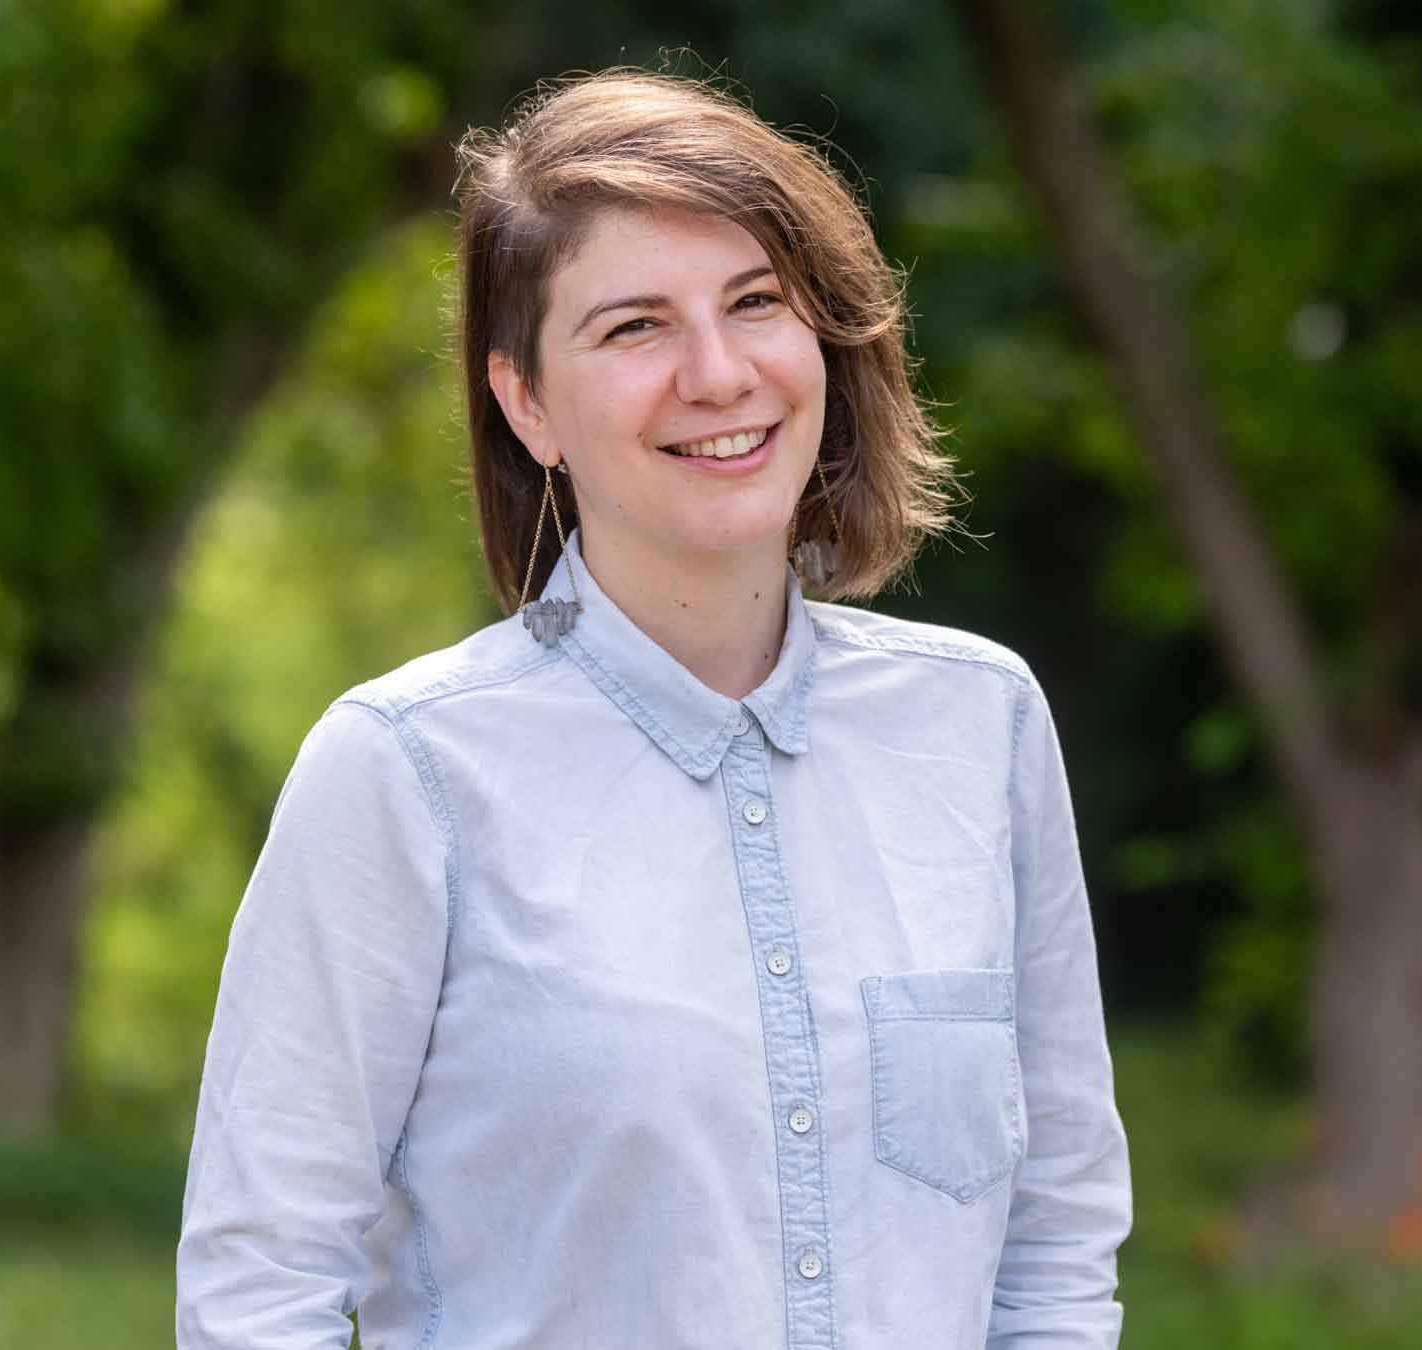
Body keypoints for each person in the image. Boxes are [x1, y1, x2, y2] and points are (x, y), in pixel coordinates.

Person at [174, 69, 1131, 1349]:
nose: (719, 372)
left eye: (755, 304)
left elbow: (1056, 1246)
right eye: (635, 328)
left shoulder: (980, 727)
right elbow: (259, 1286)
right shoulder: (405, 772)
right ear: (527, 405)